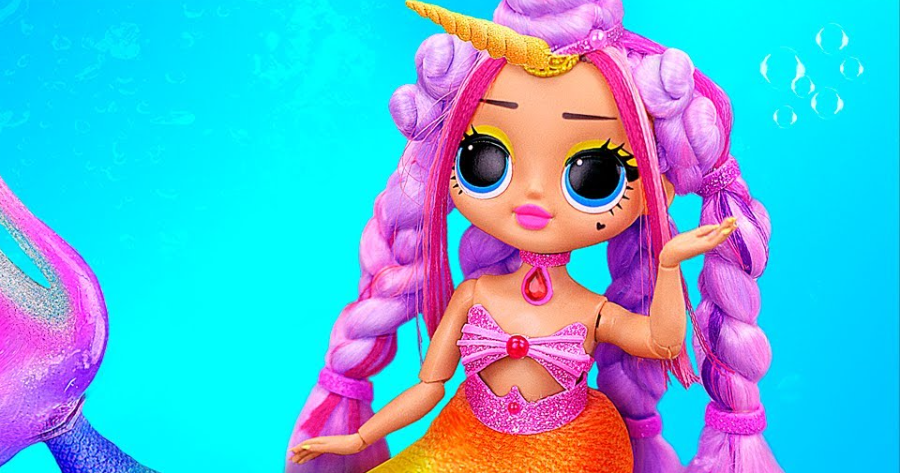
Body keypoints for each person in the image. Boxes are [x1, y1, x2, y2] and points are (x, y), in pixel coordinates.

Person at [287, 1, 779, 472]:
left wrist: (668, 264)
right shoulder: (475, 295)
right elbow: (430, 386)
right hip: (466, 439)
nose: (534, 195)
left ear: (658, 189)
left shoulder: (590, 310)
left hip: (574, 449)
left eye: (593, 175)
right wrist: (359, 440)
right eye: (484, 159)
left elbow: (662, 343)